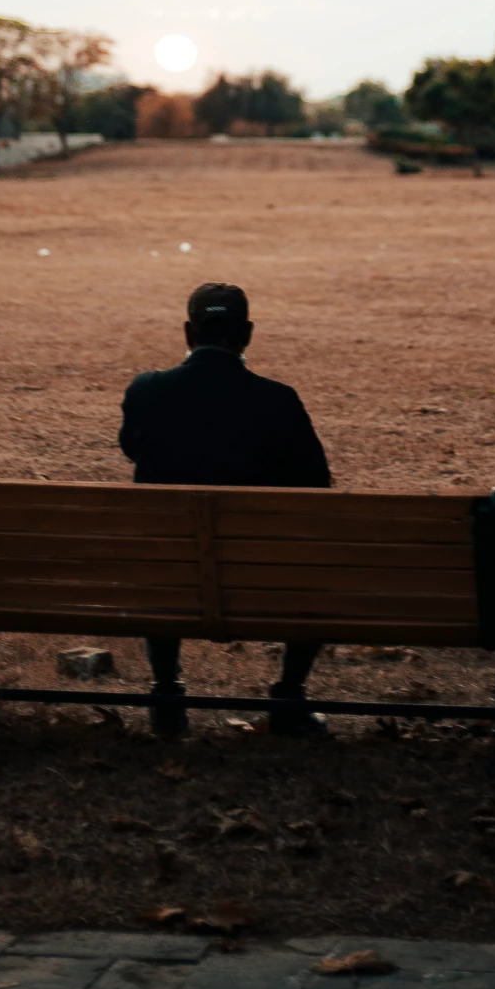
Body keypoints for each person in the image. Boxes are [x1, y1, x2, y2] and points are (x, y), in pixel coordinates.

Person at [119, 280, 331, 738]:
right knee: (316, 566)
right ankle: (289, 697)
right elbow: (317, 486)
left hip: (168, 572)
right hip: (261, 574)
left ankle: (167, 691)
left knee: (164, 553)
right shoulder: (278, 400)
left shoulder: (147, 391)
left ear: (187, 332)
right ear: (248, 333)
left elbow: (134, 449)